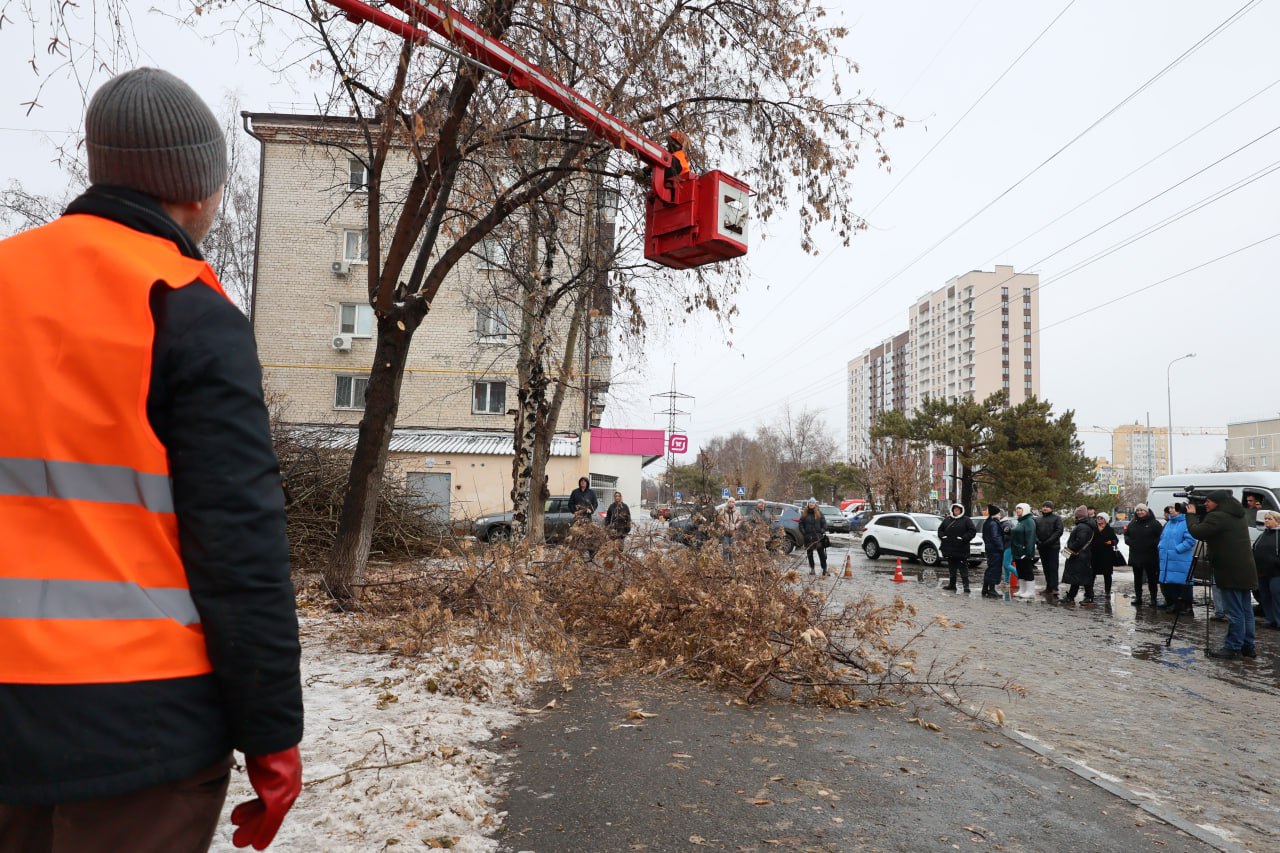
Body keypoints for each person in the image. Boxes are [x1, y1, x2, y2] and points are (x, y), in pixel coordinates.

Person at [0, 68, 303, 851]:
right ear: (199, 190)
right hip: (139, 725)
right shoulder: (184, 304)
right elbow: (239, 544)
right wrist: (271, 734)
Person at [1186, 491, 1260, 659]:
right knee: (1245, 610)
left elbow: (1197, 532)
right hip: (1245, 569)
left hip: (1229, 569)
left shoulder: (1218, 517)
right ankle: (1248, 647)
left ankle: (1233, 647)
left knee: (1234, 611)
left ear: (1218, 503)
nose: (1206, 504)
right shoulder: (1236, 514)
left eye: (1209, 501)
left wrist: (1191, 516)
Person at [1157, 503, 1196, 615]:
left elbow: (1190, 541)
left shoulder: (1186, 523)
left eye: (1173, 508)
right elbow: (1163, 538)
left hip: (1180, 559)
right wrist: (1161, 546)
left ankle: (1187, 608)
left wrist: (1177, 549)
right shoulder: (1169, 523)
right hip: (1167, 559)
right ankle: (1174, 605)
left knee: (1184, 584)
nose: (1171, 510)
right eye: (1169, 508)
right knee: (1170, 584)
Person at [1124, 504, 1162, 607]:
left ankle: (1153, 599)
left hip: (1150, 555)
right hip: (1136, 555)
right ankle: (1138, 597)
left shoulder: (1154, 523)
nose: (1140, 512)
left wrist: (1152, 544)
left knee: (1152, 579)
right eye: (1138, 510)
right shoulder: (1133, 523)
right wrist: (1129, 541)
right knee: (1137, 578)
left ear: (1147, 511)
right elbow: (1126, 534)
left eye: (1142, 510)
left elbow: (1160, 537)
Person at [1061, 506, 1097, 607]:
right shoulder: (1086, 525)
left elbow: (1080, 541)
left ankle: (1087, 597)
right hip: (1083, 555)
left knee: (1081, 577)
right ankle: (1072, 596)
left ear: (1078, 515)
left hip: (1079, 556)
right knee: (1079, 577)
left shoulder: (1083, 526)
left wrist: (1070, 548)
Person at [938, 503, 976, 593]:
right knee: (952, 568)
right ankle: (952, 585)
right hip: (950, 549)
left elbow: (972, 531)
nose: (956, 510)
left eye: (958, 509)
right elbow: (940, 530)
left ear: (961, 510)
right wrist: (942, 536)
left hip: (961, 549)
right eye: (955, 509)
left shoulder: (966, 520)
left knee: (963, 568)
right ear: (952, 510)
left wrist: (964, 538)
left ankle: (966, 586)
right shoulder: (947, 519)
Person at [1253, 510, 1280, 630]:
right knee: (1265, 596)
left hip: (1276, 572)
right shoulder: (1263, 534)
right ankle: (1270, 619)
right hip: (1262, 572)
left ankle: (1278, 621)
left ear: (1277, 521)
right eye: (1265, 519)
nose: (1266, 521)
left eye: (1269, 519)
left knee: (1276, 596)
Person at [1035, 501, 1064, 598]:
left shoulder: (1057, 518)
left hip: (1053, 546)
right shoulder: (1038, 519)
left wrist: (1048, 541)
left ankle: (1054, 588)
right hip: (1042, 546)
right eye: (1044, 506)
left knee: (1053, 567)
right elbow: (1034, 532)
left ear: (1052, 508)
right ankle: (1048, 587)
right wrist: (1038, 541)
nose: (1045, 508)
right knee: (1046, 568)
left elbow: (1059, 531)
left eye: (1047, 507)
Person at [1089, 513, 1120, 604]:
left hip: (1107, 555)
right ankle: (1090, 591)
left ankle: (1107, 591)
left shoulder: (1109, 529)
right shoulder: (1093, 529)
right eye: (1098, 518)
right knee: (1092, 574)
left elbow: (1116, 540)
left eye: (1101, 518)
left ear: (1105, 520)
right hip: (1095, 555)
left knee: (1107, 574)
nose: (1099, 519)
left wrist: (1112, 542)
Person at [1010, 503, 1039, 598]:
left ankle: (1030, 591)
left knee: (1027, 571)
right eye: (1017, 508)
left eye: (1020, 508)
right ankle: (1022, 589)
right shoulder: (1021, 521)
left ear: (1025, 510)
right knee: (1020, 570)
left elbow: (1030, 538)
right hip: (1017, 551)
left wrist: (1028, 552)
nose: (1017, 510)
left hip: (1024, 551)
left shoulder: (1029, 521)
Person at [798, 498, 829, 575]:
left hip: (818, 537)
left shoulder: (819, 513)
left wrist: (821, 531)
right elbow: (800, 524)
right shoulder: (804, 514)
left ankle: (824, 569)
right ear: (808, 504)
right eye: (810, 503)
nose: (811, 504)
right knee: (810, 554)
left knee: (821, 554)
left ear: (815, 504)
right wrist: (804, 532)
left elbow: (824, 524)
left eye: (813, 503)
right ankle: (812, 569)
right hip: (808, 537)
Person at [980, 505, 1005, 598]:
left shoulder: (987, 522)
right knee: (994, 569)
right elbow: (995, 537)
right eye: (998, 513)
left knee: (990, 568)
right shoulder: (994, 523)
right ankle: (992, 590)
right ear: (995, 514)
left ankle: (985, 588)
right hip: (995, 550)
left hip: (990, 548)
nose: (999, 515)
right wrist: (1001, 547)